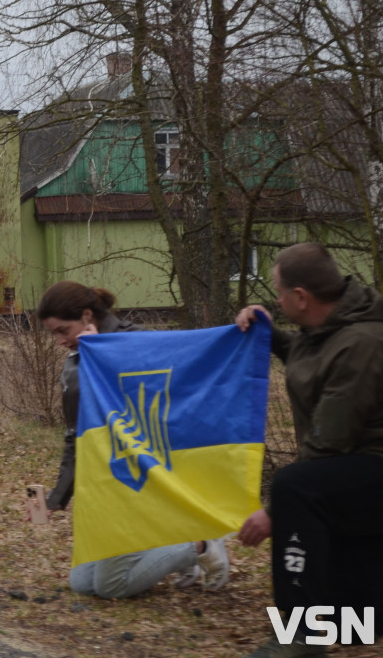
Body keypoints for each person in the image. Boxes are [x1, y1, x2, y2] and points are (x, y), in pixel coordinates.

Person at [35, 280, 230, 599]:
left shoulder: (138, 341)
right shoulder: (75, 362)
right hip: (108, 481)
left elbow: (184, 382)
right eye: (52, 334)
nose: (58, 341)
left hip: (142, 479)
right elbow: (77, 438)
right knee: (82, 583)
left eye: (62, 330)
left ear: (87, 316)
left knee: (109, 586)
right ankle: (178, 550)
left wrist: (107, 357)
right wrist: (56, 499)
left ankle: (202, 545)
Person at [234, 243, 383, 657]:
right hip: (362, 466)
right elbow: (312, 359)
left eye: (279, 294)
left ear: (302, 297)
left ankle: (303, 637)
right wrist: (268, 331)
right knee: (357, 623)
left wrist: (274, 513)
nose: (276, 301)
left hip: (369, 464)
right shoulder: (332, 327)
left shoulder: (361, 343)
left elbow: (331, 443)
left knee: (297, 486)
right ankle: (356, 622)